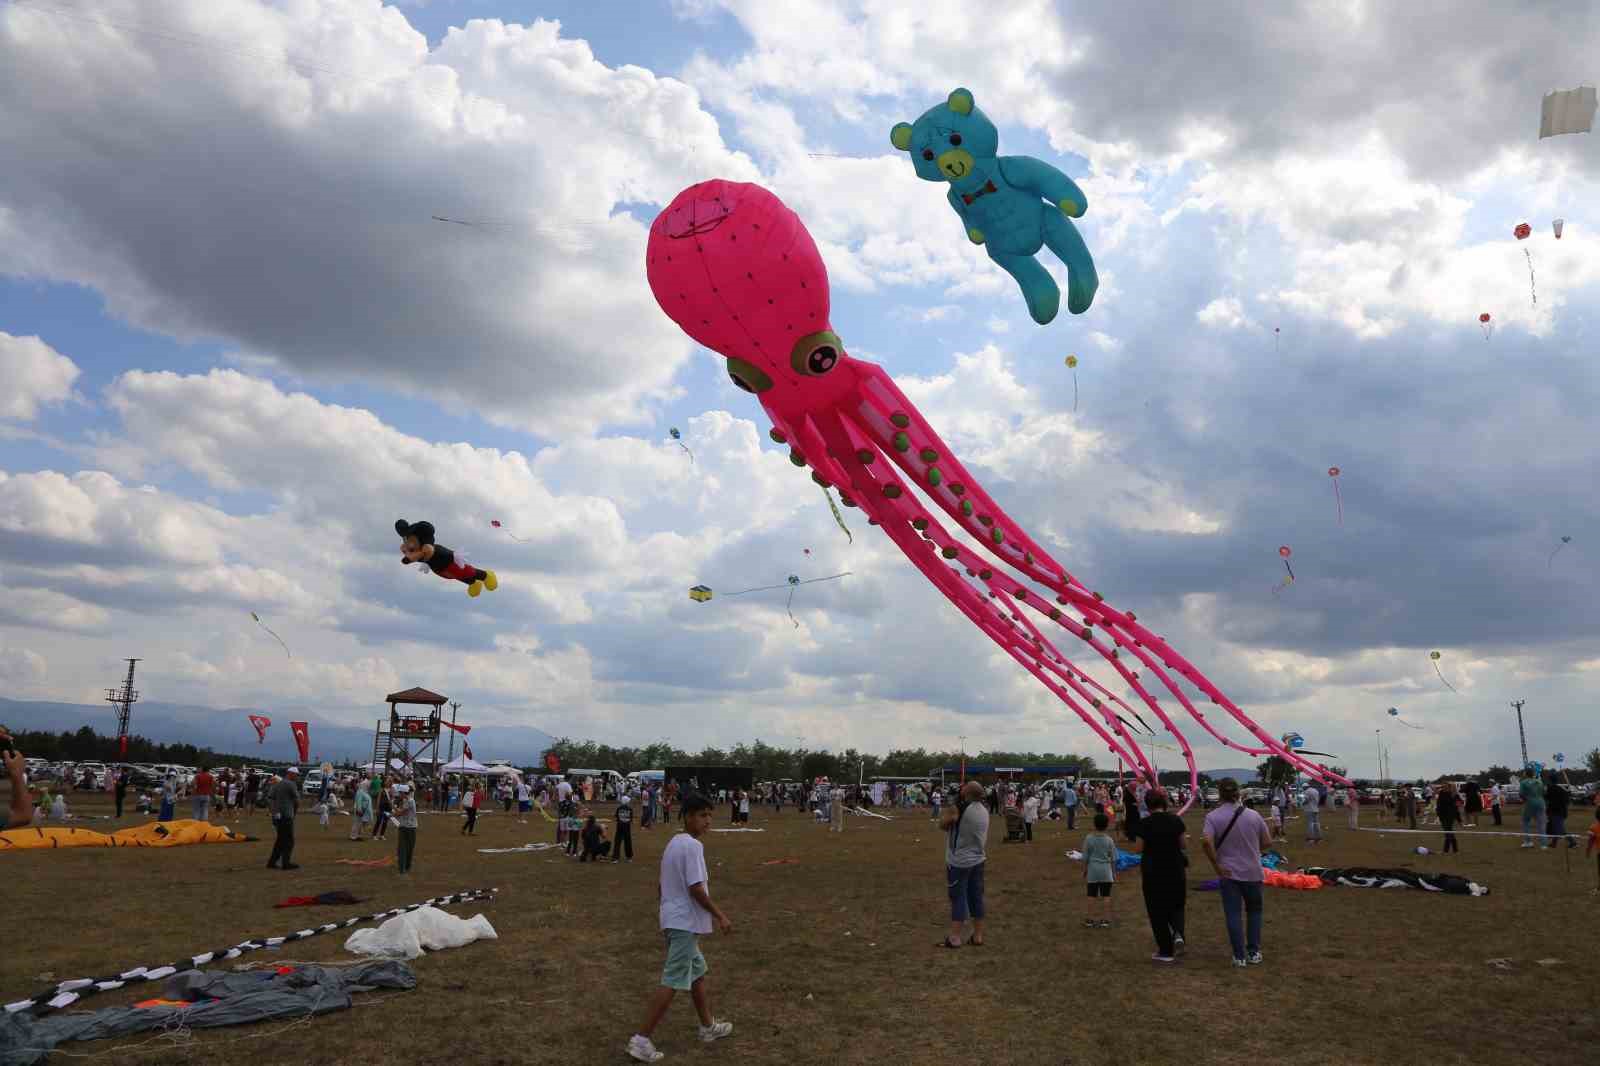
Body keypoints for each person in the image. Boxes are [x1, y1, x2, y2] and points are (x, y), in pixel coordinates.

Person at [626, 793, 733, 1062]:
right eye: (701, 815)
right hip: (684, 923)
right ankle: (641, 1040)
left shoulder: (674, 842)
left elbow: (661, 885)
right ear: (687, 817)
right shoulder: (693, 847)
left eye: (710, 815)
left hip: (673, 920)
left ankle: (708, 1027)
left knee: (696, 972)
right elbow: (696, 888)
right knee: (673, 979)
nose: (707, 821)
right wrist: (720, 915)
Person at [1201, 777, 1272, 967]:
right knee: (1254, 912)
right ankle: (1254, 952)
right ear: (1238, 793)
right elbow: (1267, 842)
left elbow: (1206, 841)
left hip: (1228, 873)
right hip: (1253, 872)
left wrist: (1216, 866)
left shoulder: (1212, 817)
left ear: (1220, 793)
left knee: (1233, 914)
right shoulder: (1254, 816)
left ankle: (1239, 956)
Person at [1130, 789, 1187, 961]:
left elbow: (1139, 848)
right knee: (1177, 904)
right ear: (1164, 802)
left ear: (1147, 805)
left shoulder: (1144, 823)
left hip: (1153, 870)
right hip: (1175, 868)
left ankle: (1165, 951)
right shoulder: (1176, 820)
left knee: (1156, 909)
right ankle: (1178, 933)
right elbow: (1183, 845)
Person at [939, 780, 990, 949]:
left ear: (966, 793)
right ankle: (978, 936)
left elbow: (944, 825)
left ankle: (954, 938)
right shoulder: (984, 810)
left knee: (958, 897)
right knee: (976, 897)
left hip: (959, 861)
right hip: (978, 859)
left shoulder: (961, 808)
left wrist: (950, 808)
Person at [1082, 812, 1117, 930]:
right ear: (1106, 825)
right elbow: (1113, 858)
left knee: (1091, 895)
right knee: (1106, 896)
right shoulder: (1109, 840)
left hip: (1093, 870)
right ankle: (1105, 920)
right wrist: (1114, 872)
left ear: (1094, 824)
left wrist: (1085, 870)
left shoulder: (1088, 838)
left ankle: (1089, 920)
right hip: (1106, 871)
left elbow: (1085, 857)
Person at [267, 766, 301, 870]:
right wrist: (294, 812)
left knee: (281, 839)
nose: (297, 777)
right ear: (290, 774)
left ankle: (272, 862)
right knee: (289, 840)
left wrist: (274, 811)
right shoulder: (291, 784)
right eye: (296, 775)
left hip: (277, 816)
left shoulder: (277, 783)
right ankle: (286, 863)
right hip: (286, 815)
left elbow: (270, 798)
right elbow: (297, 800)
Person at [1544, 771, 1574, 849]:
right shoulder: (1561, 789)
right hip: (1561, 811)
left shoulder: (1551, 789)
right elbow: (1567, 800)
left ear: (1550, 780)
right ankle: (1554, 843)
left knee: (1560, 829)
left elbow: (1546, 798)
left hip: (1556, 812)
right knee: (1556, 828)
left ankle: (1573, 842)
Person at [393, 783, 418, 874]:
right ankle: (405, 867)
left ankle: (403, 868)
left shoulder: (409, 801)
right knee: (407, 848)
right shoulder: (407, 800)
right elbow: (400, 812)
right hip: (408, 827)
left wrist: (393, 810)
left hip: (408, 828)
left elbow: (401, 813)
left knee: (404, 848)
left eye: (400, 793)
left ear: (404, 793)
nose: (399, 795)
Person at [1518, 769, 1545, 848]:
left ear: (1526, 774)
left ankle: (1528, 841)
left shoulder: (1523, 782)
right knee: (1541, 823)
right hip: (1541, 803)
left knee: (1525, 822)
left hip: (1529, 803)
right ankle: (1543, 844)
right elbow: (1544, 792)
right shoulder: (1540, 781)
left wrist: (1525, 799)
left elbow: (1521, 794)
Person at [1436, 781, 1461, 853]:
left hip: (1450, 816)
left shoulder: (1454, 795)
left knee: (1448, 832)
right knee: (1449, 832)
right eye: (1443, 786)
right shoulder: (1441, 793)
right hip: (1442, 815)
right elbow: (1439, 804)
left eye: (1445, 786)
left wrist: (1459, 819)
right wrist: (1438, 813)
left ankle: (1446, 850)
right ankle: (1455, 849)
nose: (1443, 788)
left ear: (1449, 787)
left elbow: (1458, 806)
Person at [614, 793, 635, 863]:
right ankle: (629, 857)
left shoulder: (618, 808)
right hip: (627, 826)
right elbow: (631, 819)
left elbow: (616, 817)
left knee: (617, 841)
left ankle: (616, 857)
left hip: (619, 826)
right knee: (628, 841)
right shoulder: (630, 809)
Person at [350, 776, 373, 841]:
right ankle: (353, 836)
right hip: (360, 811)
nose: (369, 786)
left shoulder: (366, 793)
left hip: (365, 811)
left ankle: (359, 835)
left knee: (361, 824)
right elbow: (358, 801)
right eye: (368, 785)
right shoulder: (360, 791)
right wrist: (359, 809)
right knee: (357, 823)